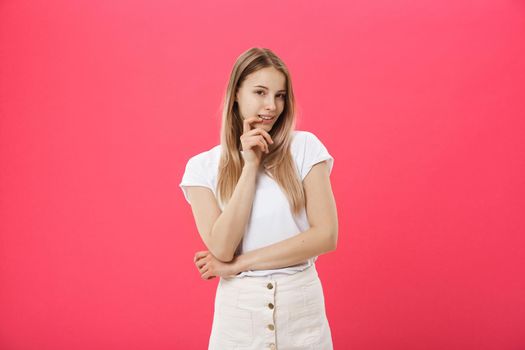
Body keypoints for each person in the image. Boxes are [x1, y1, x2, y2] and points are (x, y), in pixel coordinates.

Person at [179, 47, 338, 350]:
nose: (271, 106)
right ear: (236, 93)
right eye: (260, 92)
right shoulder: (202, 167)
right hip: (238, 319)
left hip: (302, 312)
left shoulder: (305, 148)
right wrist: (250, 165)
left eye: (279, 95)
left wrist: (239, 264)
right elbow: (222, 248)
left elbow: (326, 236)